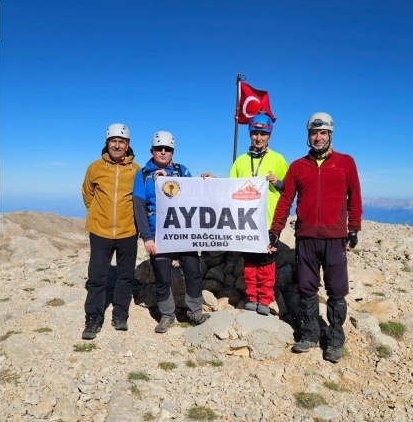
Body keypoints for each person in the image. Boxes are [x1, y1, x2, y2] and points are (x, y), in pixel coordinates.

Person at [268, 112, 362, 363]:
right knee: (307, 287)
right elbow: (286, 199)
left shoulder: (346, 162)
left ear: (330, 135)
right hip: (306, 237)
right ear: (308, 136)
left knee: (337, 289)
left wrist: (354, 228)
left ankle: (334, 339)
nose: (318, 137)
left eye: (323, 133)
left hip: (335, 237)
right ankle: (309, 334)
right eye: (314, 133)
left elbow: (355, 197)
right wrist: (275, 230)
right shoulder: (298, 166)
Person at [133, 131, 211, 333]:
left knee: (193, 272)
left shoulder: (181, 170)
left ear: (172, 152)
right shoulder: (143, 175)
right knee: (162, 276)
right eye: (159, 148)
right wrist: (147, 238)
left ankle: (195, 312)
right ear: (152, 151)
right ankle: (167, 315)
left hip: (184, 232)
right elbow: (139, 207)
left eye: (167, 149)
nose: (163, 152)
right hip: (158, 234)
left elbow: (194, 196)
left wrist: (205, 181)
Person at [81, 123, 140, 339]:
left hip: (128, 231)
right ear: (107, 143)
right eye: (113, 141)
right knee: (97, 276)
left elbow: (142, 198)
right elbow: (87, 193)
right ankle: (93, 317)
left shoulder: (136, 170)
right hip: (100, 231)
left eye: (121, 142)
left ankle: (120, 314)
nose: (117, 145)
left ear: (127, 146)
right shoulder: (95, 167)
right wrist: (98, 213)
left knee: (125, 276)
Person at [229, 113, 289, 315]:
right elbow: (229, 189)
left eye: (263, 134)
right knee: (250, 261)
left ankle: (265, 299)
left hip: (269, 221)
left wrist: (278, 182)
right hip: (246, 222)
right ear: (250, 134)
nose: (258, 138)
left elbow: (290, 189)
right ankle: (251, 297)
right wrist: (211, 182)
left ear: (269, 135)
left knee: (266, 261)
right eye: (255, 133)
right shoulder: (241, 161)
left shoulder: (278, 159)